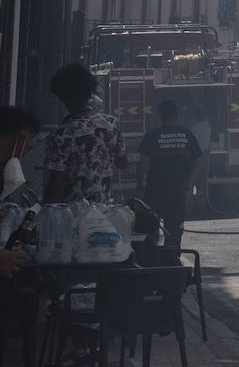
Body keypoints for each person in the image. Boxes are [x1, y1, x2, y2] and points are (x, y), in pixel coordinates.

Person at [43, 63, 126, 204]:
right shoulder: (112, 124)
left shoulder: (61, 133)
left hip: (70, 214)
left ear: (65, 97)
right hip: (101, 211)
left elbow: (55, 183)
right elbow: (123, 163)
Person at [136, 100, 202, 250]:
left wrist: (140, 186)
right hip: (178, 193)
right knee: (174, 232)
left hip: (154, 192)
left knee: (150, 229)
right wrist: (190, 189)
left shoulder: (152, 136)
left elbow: (143, 164)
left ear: (160, 116)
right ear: (176, 115)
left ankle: (151, 262)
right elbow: (197, 163)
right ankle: (172, 261)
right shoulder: (187, 135)